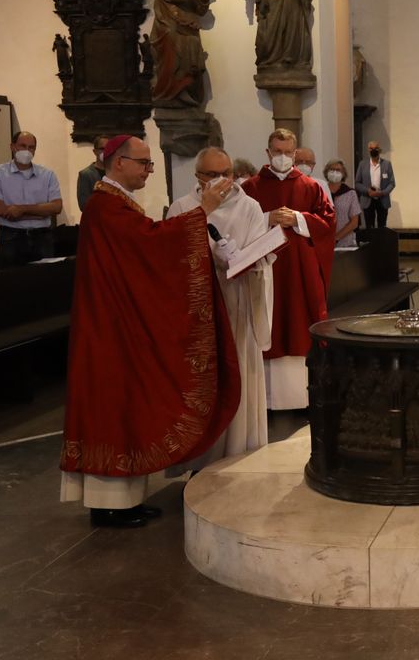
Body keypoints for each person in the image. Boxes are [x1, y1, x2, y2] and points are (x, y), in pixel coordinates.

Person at [60, 136, 241, 528]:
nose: (148, 170)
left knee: (128, 406)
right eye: (143, 163)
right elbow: (152, 245)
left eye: (150, 164)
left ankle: (124, 501)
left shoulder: (117, 202)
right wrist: (202, 212)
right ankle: (108, 505)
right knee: (113, 407)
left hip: (116, 321)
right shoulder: (105, 206)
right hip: (109, 328)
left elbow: (146, 247)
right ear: (119, 162)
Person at [167, 147, 274, 470]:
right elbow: (170, 255)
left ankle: (239, 452)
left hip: (238, 300)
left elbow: (259, 251)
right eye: (212, 175)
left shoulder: (249, 206)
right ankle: (201, 461)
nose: (222, 181)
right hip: (200, 307)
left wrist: (244, 258)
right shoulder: (182, 207)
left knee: (238, 371)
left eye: (226, 173)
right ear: (198, 176)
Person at [241, 128, 336, 411]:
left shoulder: (311, 187)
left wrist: (298, 218)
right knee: (267, 321)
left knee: (297, 321)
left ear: (295, 154)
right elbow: (237, 224)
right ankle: (265, 401)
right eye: (277, 151)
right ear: (268, 152)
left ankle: (300, 398)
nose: (282, 157)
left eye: (287, 152)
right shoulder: (251, 188)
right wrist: (266, 218)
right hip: (263, 269)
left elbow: (327, 222)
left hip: (298, 270)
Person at [0, 131, 63, 266]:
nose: (27, 150)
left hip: (42, 237)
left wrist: (21, 210)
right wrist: (40, 213)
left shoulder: (48, 175)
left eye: (31, 147)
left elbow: (56, 207)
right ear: (12, 147)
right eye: (23, 146)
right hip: (10, 237)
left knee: (44, 277)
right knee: (10, 277)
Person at [150, 0, 211, 106]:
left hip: (187, 31)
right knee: (177, 63)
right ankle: (175, 94)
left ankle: (188, 93)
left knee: (191, 64)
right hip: (171, 33)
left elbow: (200, 9)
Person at [355, 140, 396, 229]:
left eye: (376, 148)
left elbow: (392, 183)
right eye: (371, 148)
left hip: (383, 199)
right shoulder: (362, 164)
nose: (373, 150)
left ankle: (381, 238)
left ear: (380, 150)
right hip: (367, 199)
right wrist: (368, 191)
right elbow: (357, 183)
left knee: (382, 226)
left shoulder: (387, 164)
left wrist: (382, 193)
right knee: (369, 227)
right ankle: (371, 238)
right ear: (368, 150)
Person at [323, 158, 362, 248]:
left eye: (338, 170)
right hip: (323, 241)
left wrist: (336, 238)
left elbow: (354, 222)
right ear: (327, 172)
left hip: (345, 242)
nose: (334, 172)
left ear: (343, 173)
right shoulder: (321, 191)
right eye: (332, 169)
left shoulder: (350, 193)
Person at [76, 135, 107, 213]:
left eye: (108, 148)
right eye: (102, 149)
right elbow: (83, 205)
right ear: (95, 151)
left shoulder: (116, 173)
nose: (106, 152)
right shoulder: (85, 174)